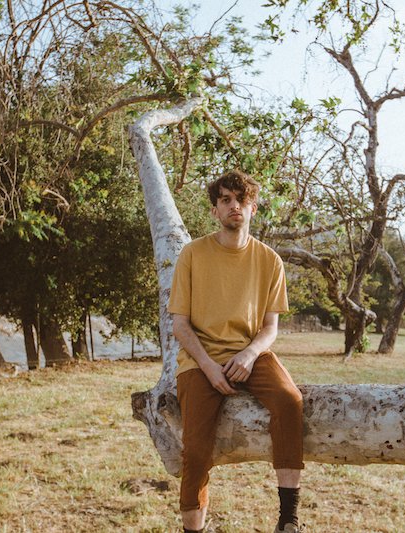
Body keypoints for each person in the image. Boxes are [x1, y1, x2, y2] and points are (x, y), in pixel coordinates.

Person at [168, 169, 305, 533]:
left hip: (251, 354)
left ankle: (288, 518)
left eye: (241, 200)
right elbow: (180, 325)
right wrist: (210, 368)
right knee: (196, 450)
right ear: (214, 210)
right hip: (201, 359)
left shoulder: (270, 260)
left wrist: (247, 356)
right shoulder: (192, 254)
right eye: (226, 200)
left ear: (253, 208)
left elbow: (270, 328)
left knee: (290, 400)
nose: (234, 207)